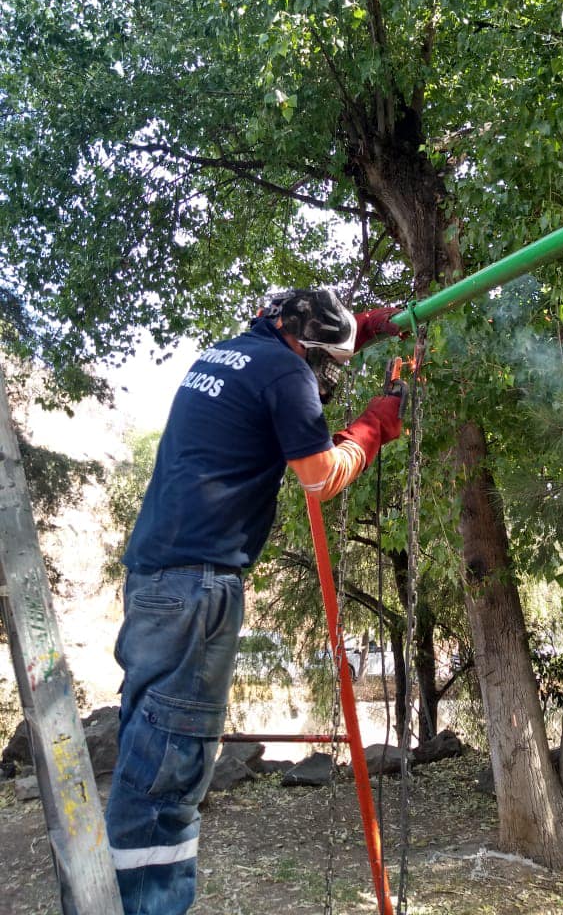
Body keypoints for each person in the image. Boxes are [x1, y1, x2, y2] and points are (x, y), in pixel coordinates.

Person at [105, 288, 405, 915]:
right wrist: (374, 425)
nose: (326, 378)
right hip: (199, 587)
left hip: (157, 577)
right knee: (171, 768)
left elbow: (296, 362)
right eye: (328, 363)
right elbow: (320, 478)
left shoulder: (228, 355)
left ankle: (116, 896)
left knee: (148, 750)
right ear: (304, 346)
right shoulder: (289, 374)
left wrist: (369, 328)